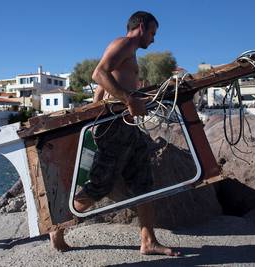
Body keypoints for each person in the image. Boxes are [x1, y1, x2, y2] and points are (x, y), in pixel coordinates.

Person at [50, 11, 180, 256]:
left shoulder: (128, 53)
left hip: (126, 127)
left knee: (144, 182)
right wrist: (128, 98)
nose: (153, 39)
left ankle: (148, 240)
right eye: (152, 32)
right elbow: (98, 73)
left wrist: (101, 107)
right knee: (100, 185)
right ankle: (57, 226)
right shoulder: (123, 44)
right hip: (114, 127)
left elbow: (102, 86)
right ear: (140, 26)